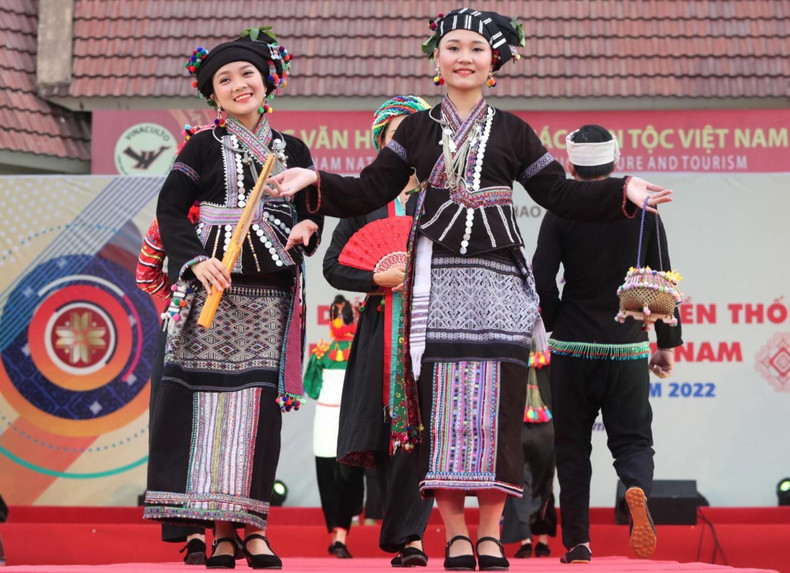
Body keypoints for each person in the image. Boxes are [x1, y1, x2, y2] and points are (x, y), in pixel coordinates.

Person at [266, 9, 672, 571]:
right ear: (436, 60)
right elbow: (369, 189)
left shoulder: (513, 131)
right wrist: (316, 181)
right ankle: (454, 534)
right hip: (435, 286)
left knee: (497, 416)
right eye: (453, 46)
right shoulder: (414, 131)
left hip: (498, 285)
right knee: (443, 415)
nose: (464, 57)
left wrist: (622, 191)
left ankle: (489, 534)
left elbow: (560, 193)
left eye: (477, 49)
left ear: (495, 65)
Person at [142, 26, 323, 570]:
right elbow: (171, 210)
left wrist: (308, 228)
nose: (239, 84)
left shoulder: (292, 149)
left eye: (247, 73)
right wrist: (194, 260)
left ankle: (253, 526)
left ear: (268, 81)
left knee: (257, 413)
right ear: (213, 96)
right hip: (211, 295)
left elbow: (313, 208)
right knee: (210, 408)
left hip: (270, 297)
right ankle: (218, 532)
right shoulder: (201, 146)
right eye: (225, 79)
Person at [531, 124, 683, 564]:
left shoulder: (560, 212)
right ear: (616, 162)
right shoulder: (645, 213)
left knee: (572, 447)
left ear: (570, 166)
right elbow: (663, 280)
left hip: (573, 348)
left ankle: (578, 541)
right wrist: (666, 344)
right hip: (627, 345)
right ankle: (634, 486)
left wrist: (559, 320)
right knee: (633, 441)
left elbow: (541, 279)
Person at [323, 95, 435, 568]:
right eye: (396, 134)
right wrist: (375, 278)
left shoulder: (441, 198)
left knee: (422, 431)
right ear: (382, 145)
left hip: (430, 327)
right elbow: (333, 267)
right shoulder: (363, 201)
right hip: (377, 332)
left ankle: (411, 538)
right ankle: (396, 525)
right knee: (384, 429)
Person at [303, 294, 364, 558]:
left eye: (343, 315)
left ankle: (340, 534)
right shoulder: (325, 352)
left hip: (350, 420)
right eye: (335, 315)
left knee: (347, 476)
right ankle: (337, 534)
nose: (339, 320)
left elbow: (312, 387)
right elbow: (312, 388)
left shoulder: (357, 349)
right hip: (330, 420)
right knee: (329, 476)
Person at [501, 348, 557, 559]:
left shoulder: (512, 350)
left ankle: (526, 539)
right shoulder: (553, 354)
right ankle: (541, 540)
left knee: (518, 481)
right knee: (545, 482)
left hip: (519, 424)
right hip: (545, 426)